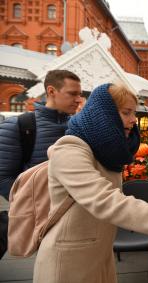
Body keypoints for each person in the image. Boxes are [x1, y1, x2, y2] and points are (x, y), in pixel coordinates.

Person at [33, 83, 148, 283]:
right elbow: (107, 201)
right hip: (68, 265)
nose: (134, 120)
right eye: (126, 113)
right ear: (103, 114)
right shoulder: (69, 150)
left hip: (98, 257)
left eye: (134, 112)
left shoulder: (104, 150)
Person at [0, 69, 82, 259]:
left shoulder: (78, 125)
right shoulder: (18, 126)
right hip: (39, 221)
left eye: (79, 94)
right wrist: (34, 208)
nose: (79, 99)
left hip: (77, 219)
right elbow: (3, 177)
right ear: (51, 91)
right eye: (72, 94)